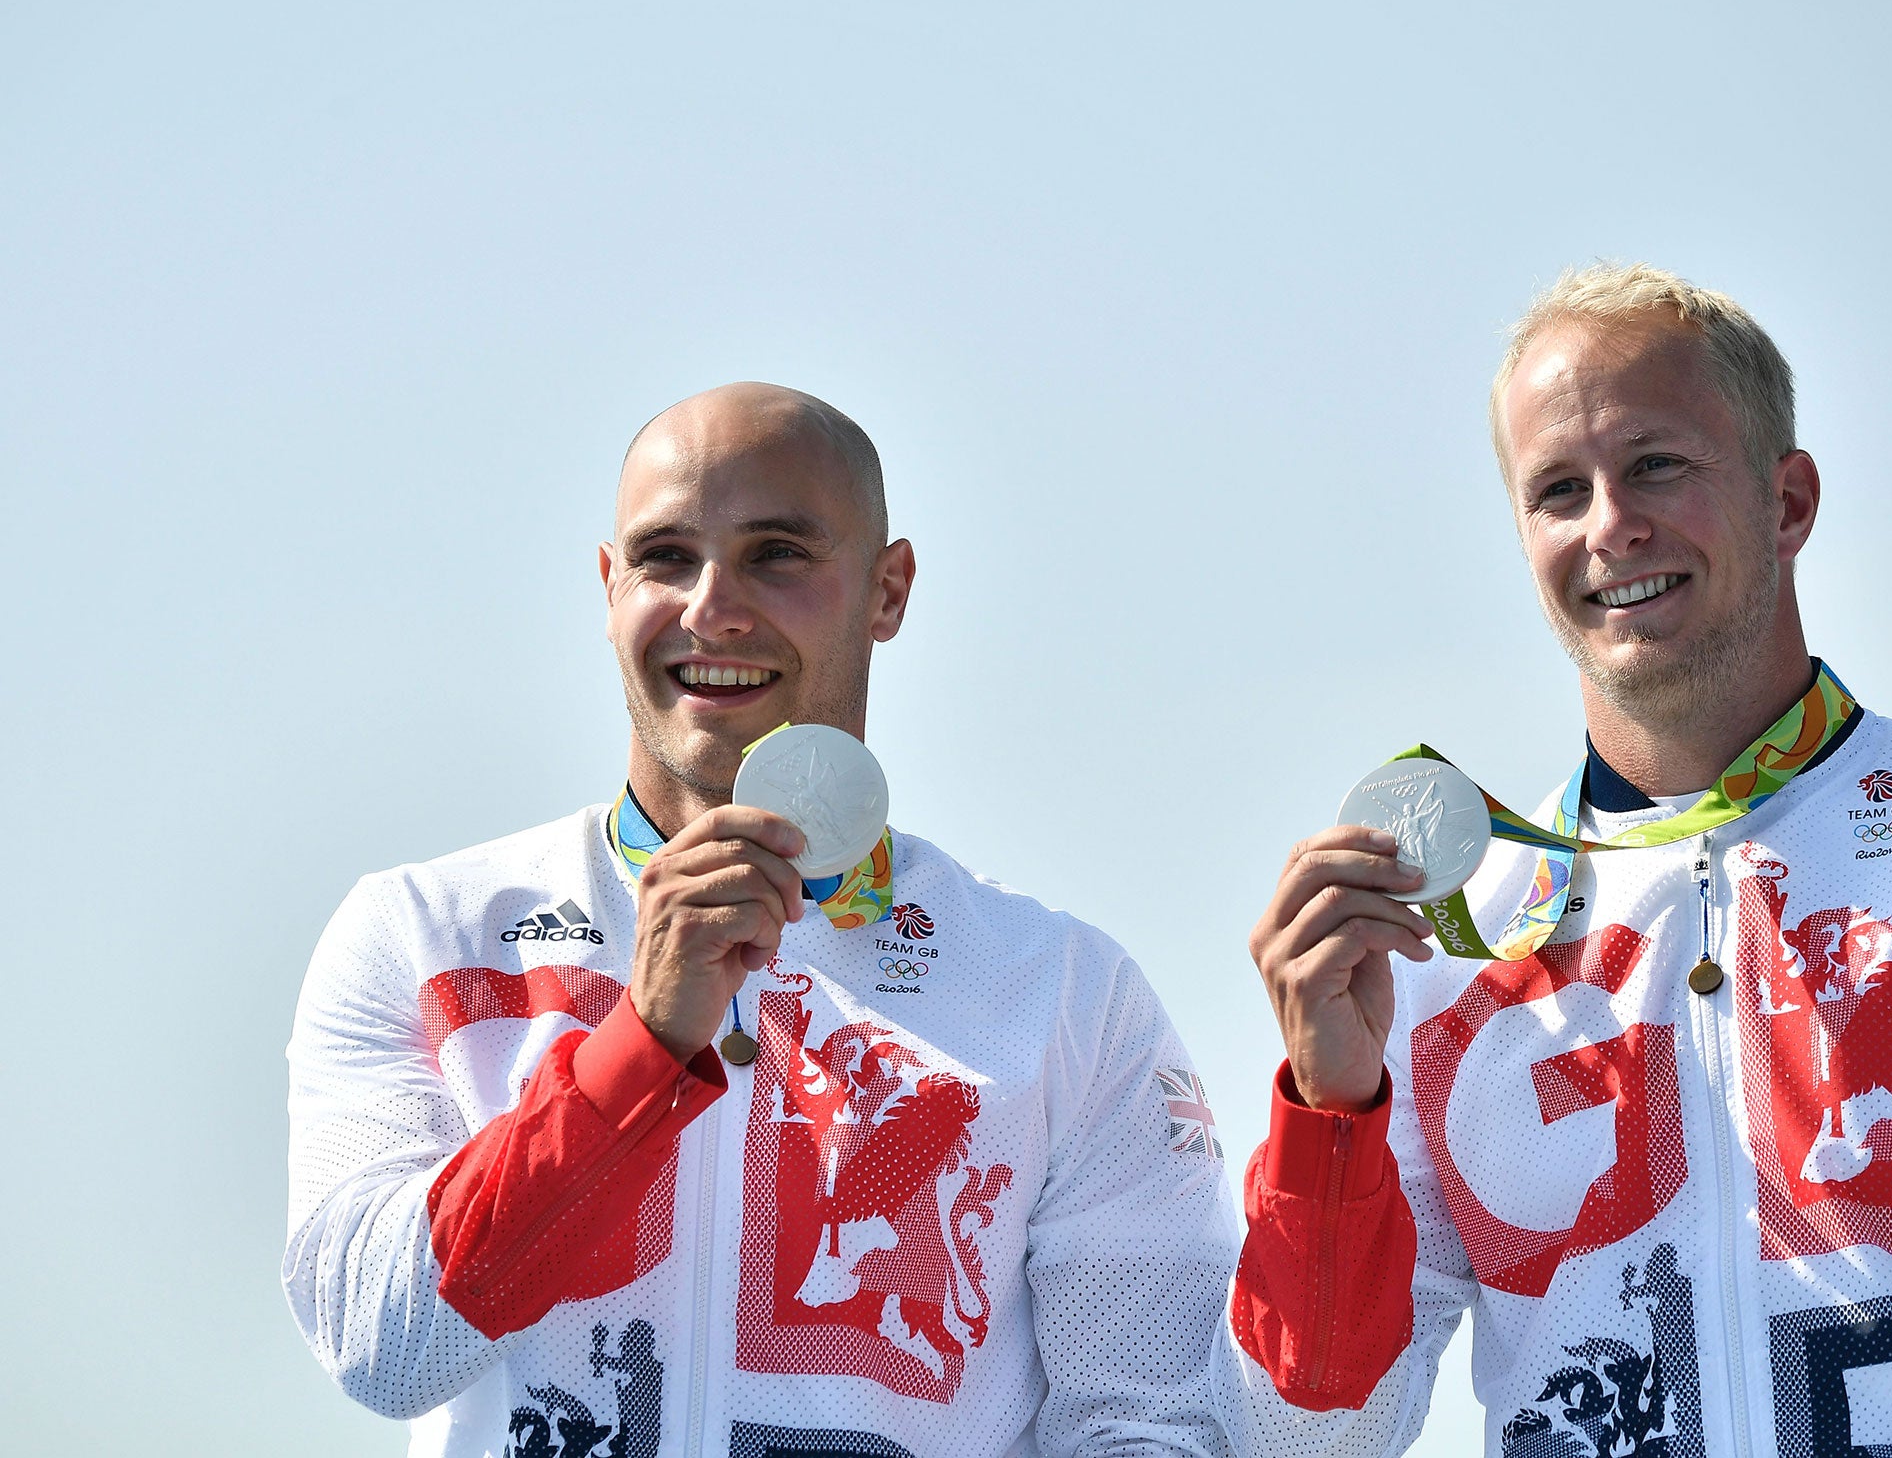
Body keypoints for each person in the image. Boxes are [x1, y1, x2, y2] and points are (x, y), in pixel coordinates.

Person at [285, 381, 1324, 1456]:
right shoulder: (425, 931)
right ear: (606, 587)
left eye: (775, 552)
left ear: (888, 589)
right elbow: (384, 1346)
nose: (711, 604)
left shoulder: (1059, 987)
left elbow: (1150, 1425)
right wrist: (640, 1048)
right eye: (664, 556)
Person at [1228, 265, 1892, 1456]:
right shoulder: (1443, 945)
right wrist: (1332, 1110)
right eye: (1558, 489)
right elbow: (1302, 1435)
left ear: (1788, 499)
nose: (1609, 522)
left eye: (1655, 463)